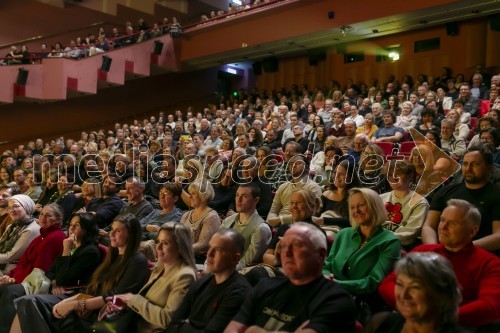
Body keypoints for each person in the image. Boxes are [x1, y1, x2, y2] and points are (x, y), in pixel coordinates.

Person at [12, 214, 149, 332]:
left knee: (31, 303)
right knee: (27, 302)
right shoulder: (113, 256)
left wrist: (74, 304)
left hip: (102, 316)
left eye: (117, 231)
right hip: (88, 304)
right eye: (111, 229)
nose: (111, 234)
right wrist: (74, 299)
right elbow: (92, 286)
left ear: (131, 234)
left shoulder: (137, 261)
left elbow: (116, 297)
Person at [379, 199, 500, 328]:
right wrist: (411, 308)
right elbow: (387, 284)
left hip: (456, 326)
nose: (443, 227)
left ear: (472, 232)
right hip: (412, 318)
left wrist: (437, 318)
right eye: (442, 220)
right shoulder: (423, 251)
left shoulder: (489, 263)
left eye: (452, 223)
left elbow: (492, 305)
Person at [224, 222, 356, 333]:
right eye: (284, 246)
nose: (286, 253)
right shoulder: (264, 286)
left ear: (321, 255)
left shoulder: (336, 301)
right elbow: (232, 328)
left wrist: (254, 330)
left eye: (297, 246)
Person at [0, 211, 100, 332]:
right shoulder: (72, 245)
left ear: (87, 229)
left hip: (71, 292)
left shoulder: (90, 251)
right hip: (53, 285)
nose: (72, 229)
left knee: (19, 297)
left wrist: (66, 251)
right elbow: (50, 270)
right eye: (71, 225)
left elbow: (64, 278)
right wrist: (54, 282)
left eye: (77, 225)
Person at [107, 222, 196, 331]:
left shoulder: (185, 275)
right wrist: (124, 303)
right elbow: (145, 302)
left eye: (165, 243)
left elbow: (168, 319)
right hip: (135, 324)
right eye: (158, 241)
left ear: (180, 246)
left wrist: (134, 300)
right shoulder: (160, 267)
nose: (157, 247)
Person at [323, 188, 401, 312]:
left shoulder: (390, 241)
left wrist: (337, 284)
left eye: (361, 205)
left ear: (374, 206)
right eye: (352, 207)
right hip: (330, 294)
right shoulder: (343, 234)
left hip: (363, 305)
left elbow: (374, 282)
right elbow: (327, 265)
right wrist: (325, 278)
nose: (356, 211)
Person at [165, 229, 251, 332]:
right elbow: (173, 324)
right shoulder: (201, 283)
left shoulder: (239, 293)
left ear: (235, 259)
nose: (209, 254)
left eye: (219, 250)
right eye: (210, 247)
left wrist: (183, 326)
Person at [421, 146, 500, 252]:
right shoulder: (445, 191)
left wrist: (459, 249)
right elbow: (429, 226)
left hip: (478, 255)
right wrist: (434, 249)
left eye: (475, 164)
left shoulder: (496, 195)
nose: (468, 168)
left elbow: (498, 236)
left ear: (489, 168)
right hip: (441, 253)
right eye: (465, 164)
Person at [365, 252, 464, 333]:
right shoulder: (379, 322)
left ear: (442, 295)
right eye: (400, 284)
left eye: (415, 287)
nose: (404, 295)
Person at [220, 183, 271, 270]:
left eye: (244, 196)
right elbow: (215, 248)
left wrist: (220, 270)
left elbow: (246, 262)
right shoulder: (228, 220)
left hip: (237, 273)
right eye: (237, 195)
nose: (238, 200)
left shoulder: (261, 228)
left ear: (256, 200)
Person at [380, 159, 429, 249]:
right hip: (378, 242)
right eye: (390, 175)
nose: (393, 178)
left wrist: (382, 239)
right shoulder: (379, 198)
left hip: (400, 247)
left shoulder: (420, 202)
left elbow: (410, 233)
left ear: (410, 176)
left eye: (397, 174)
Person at [267, 154, 322, 227]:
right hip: (278, 223)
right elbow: (273, 210)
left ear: (307, 167)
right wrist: (270, 222)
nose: (293, 166)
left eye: (298, 163)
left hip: (300, 225)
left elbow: (312, 214)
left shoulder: (313, 187)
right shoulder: (283, 186)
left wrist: (280, 220)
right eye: (291, 164)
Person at [180, 180, 221, 262]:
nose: (190, 197)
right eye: (190, 193)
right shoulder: (186, 215)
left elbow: (204, 245)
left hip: (197, 259)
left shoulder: (212, 217)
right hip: (181, 254)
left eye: (193, 194)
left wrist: (180, 251)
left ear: (203, 195)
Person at [0, 195, 40, 275]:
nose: (11, 210)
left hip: (11, 271)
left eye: (16, 206)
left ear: (27, 207)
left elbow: (10, 256)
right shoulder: (12, 226)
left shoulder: (31, 229)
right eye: (10, 207)